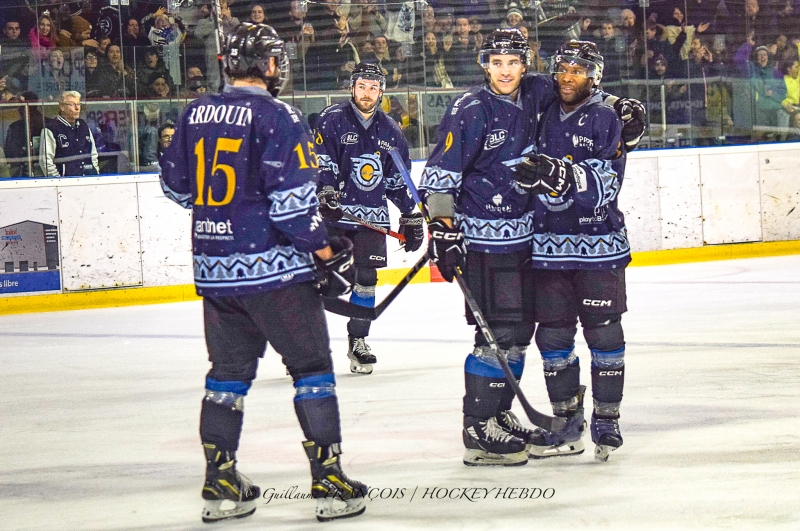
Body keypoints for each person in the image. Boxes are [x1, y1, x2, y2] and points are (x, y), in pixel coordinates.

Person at [159, 22, 367, 523]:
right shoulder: (280, 115)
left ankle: (221, 482)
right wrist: (322, 249)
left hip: (215, 273)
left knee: (226, 378)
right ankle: (330, 481)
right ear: (272, 65)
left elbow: (176, 188)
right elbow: (294, 206)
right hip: (275, 274)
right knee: (313, 370)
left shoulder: (195, 111)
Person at [420, 29, 644, 467]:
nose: (505, 71)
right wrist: (443, 229)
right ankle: (478, 426)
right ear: (485, 64)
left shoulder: (537, 90)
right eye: (497, 62)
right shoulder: (468, 109)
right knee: (498, 334)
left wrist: (623, 109)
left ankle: (499, 415)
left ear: (525, 64)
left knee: (518, 334)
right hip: (485, 241)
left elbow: (584, 93)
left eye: (513, 62)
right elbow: (440, 175)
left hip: (526, 242)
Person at [512, 40, 629, 462]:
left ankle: (607, 419)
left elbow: (606, 183)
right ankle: (567, 424)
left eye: (578, 70)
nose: (567, 76)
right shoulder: (543, 112)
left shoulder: (603, 116)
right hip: (549, 247)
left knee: (604, 332)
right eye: (563, 68)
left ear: (595, 76)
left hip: (598, 247)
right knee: (554, 336)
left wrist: (558, 171)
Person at [314, 62, 424, 375]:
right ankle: (309, 346)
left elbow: (397, 178)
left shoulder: (391, 130)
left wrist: (409, 213)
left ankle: (358, 342)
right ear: (352, 87)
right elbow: (323, 160)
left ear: (381, 92)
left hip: (371, 218)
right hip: (335, 215)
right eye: (362, 86)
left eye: (373, 87)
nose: (367, 92)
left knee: (367, 280)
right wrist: (326, 190)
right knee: (321, 280)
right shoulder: (332, 119)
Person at [39, 91, 99, 177]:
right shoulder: (51, 128)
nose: (77, 108)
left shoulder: (83, 125)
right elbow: (46, 161)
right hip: (66, 184)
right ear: (62, 107)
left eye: (78, 104)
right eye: (72, 104)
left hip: (89, 179)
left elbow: (93, 154)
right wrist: (58, 181)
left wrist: (95, 172)